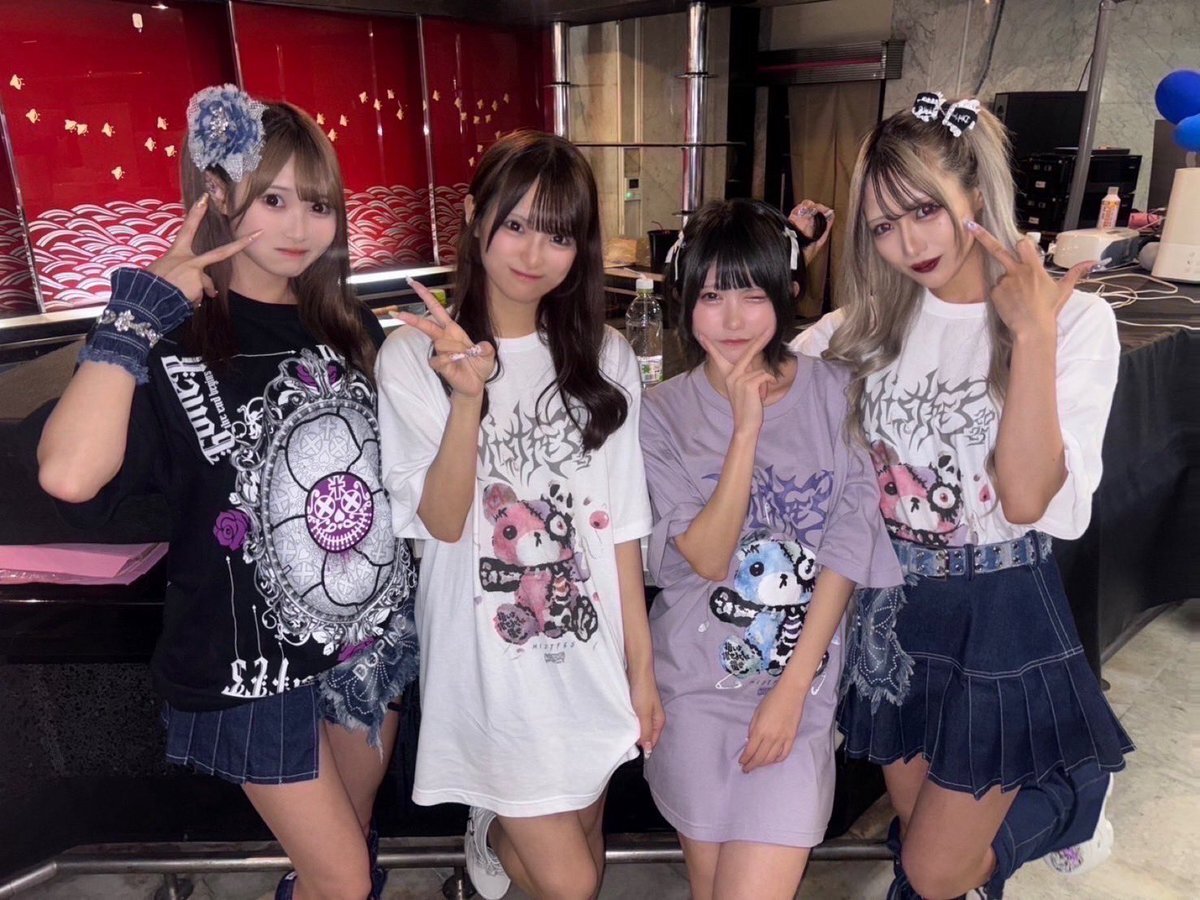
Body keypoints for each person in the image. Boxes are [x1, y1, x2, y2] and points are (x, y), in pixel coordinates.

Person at [37, 86, 417, 900]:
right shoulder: (172, 337)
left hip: (363, 646)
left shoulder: (352, 327)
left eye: (318, 204)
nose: (299, 226)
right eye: (273, 199)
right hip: (249, 667)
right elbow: (68, 473)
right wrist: (136, 313)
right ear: (216, 192)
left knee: (347, 854)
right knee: (345, 880)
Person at [793, 92, 1133, 899]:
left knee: (933, 867)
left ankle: (1072, 800)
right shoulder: (858, 331)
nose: (908, 244)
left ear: (974, 194)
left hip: (1000, 599)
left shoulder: (1074, 322)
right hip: (889, 607)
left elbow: (1026, 498)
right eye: (883, 225)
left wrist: (1032, 337)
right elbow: (748, 373)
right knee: (927, 841)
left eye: (925, 211)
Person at [375, 130, 664, 900]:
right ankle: (495, 829)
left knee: (583, 845)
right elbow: (442, 522)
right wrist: (467, 398)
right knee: (572, 883)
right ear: (476, 216)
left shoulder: (605, 356)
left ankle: (496, 839)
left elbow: (624, 527)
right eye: (517, 224)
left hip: (588, 652)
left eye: (560, 234)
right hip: (488, 665)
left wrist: (641, 673)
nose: (535, 253)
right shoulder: (411, 358)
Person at [637, 198, 902, 900]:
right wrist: (745, 428)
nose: (731, 319)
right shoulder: (661, 412)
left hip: (798, 688)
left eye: (752, 295)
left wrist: (790, 694)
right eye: (711, 297)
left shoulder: (837, 392)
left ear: (788, 292)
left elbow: (848, 545)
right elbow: (706, 558)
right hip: (694, 691)